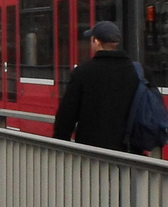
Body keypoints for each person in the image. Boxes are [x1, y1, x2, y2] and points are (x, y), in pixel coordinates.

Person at [52, 21, 142, 151]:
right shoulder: (137, 72)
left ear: (96, 42)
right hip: (129, 154)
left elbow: (66, 117)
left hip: (92, 155)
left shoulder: (82, 73)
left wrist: (60, 145)